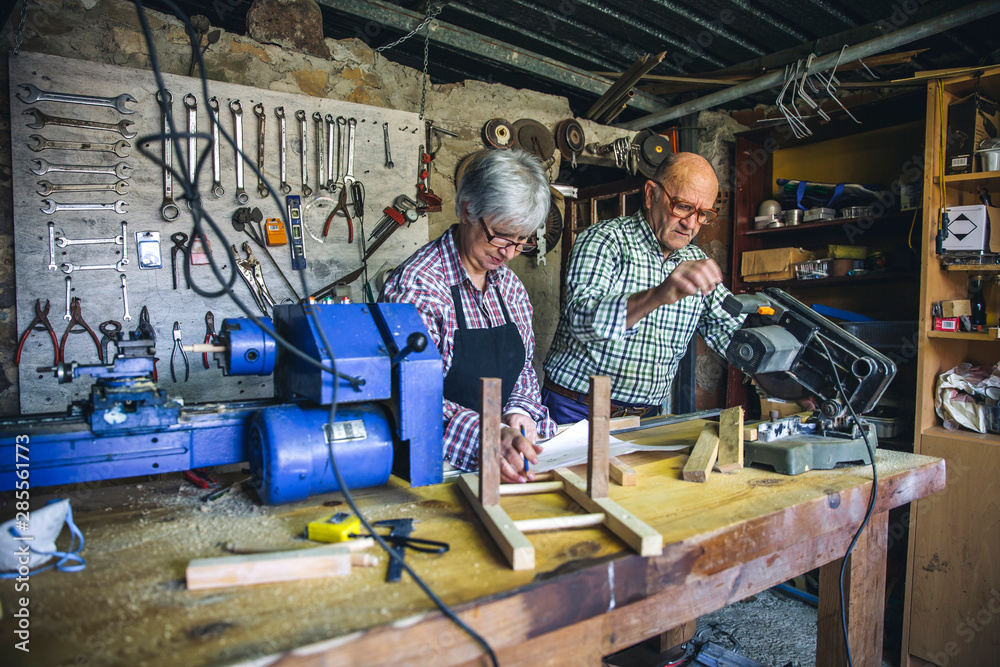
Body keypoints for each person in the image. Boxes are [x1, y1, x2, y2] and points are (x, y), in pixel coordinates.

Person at [380, 149, 556, 484]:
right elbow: (411, 397)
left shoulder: (511, 287)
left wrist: (518, 411)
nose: (509, 253)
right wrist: (488, 436)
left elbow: (522, 372)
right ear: (466, 211)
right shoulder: (417, 287)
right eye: (501, 235)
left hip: (504, 459)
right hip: (432, 467)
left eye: (522, 241)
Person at [542, 152, 744, 423]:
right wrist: (659, 295)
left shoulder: (695, 262)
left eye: (703, 214)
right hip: (576, 409)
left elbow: (730, 331)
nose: (691, 224)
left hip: (645, 418)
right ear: (651, 195)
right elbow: (582, 320)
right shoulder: (604, 240)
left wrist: (784, 374)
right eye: (683, 206)